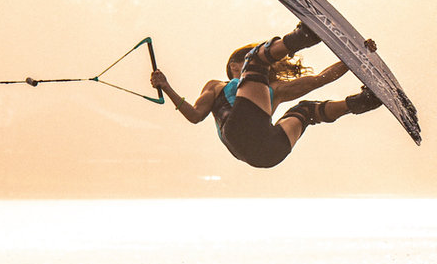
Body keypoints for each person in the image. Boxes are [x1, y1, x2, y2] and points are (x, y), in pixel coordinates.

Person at [150, 23, 383, 168]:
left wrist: (358, 58)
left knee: (308, 110)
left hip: (265, 156)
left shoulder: (276, 90)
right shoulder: (217, 86)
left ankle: (364, 101)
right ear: (233, 65)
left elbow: (320, 79)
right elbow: (194, 115)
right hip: (249, 139)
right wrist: (167, 86)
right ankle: (303, 36)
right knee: (256, 58)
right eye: (241, 64)